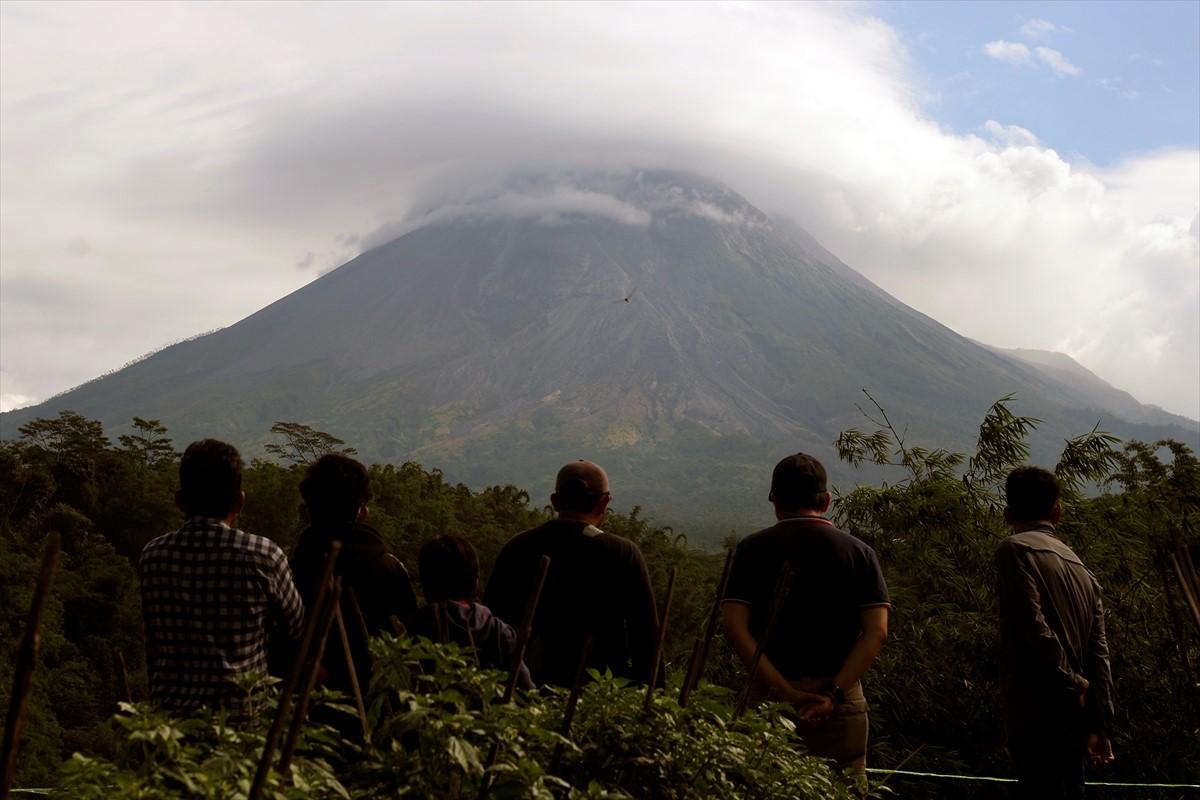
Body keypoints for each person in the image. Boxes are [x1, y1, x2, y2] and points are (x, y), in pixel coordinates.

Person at [721, 453, 890, 786]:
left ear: (775, 501)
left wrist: (783, 690)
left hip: (766, 702)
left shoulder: (751, 549)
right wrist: (832, 694)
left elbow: (734, 626)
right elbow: (877, 633)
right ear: (826, 501)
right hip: (841, 705)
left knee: (758, 788)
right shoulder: (859, 553)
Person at [139, 439, 304, 713]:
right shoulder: (264, 555)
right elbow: (298, 629)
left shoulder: (153, 556)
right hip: (241, 725)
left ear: (180, 500)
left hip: (168, 730)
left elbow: (153, 645)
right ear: (239, 501)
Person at [483, 460, 659, 687]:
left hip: (523, 691)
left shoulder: (518, 547)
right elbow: (646, 638)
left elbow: (493, 624)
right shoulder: (623, 554)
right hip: (600, 697)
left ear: (555, 501)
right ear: (604, 503)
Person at [996, 466, 1115, 799]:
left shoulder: (1014, 551)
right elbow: (1099, 653)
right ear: (1057, 512)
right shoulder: (1083, 572)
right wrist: (1099, 720)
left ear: (1007, 512)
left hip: (1037, 718)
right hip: (1075, 722)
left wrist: (1072, 683)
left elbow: (1033, 628)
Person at [290, 453, 418, 697]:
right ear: (363, 512)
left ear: (305, 512)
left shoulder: (290, 570)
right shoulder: (389, 568)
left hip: (305, 706)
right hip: (380, 703)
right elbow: (414, 641)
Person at [408, 534, 533, 689]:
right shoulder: (499, 632)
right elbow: (526, 691)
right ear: (475, 581)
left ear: (425, 581)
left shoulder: (414, 629)